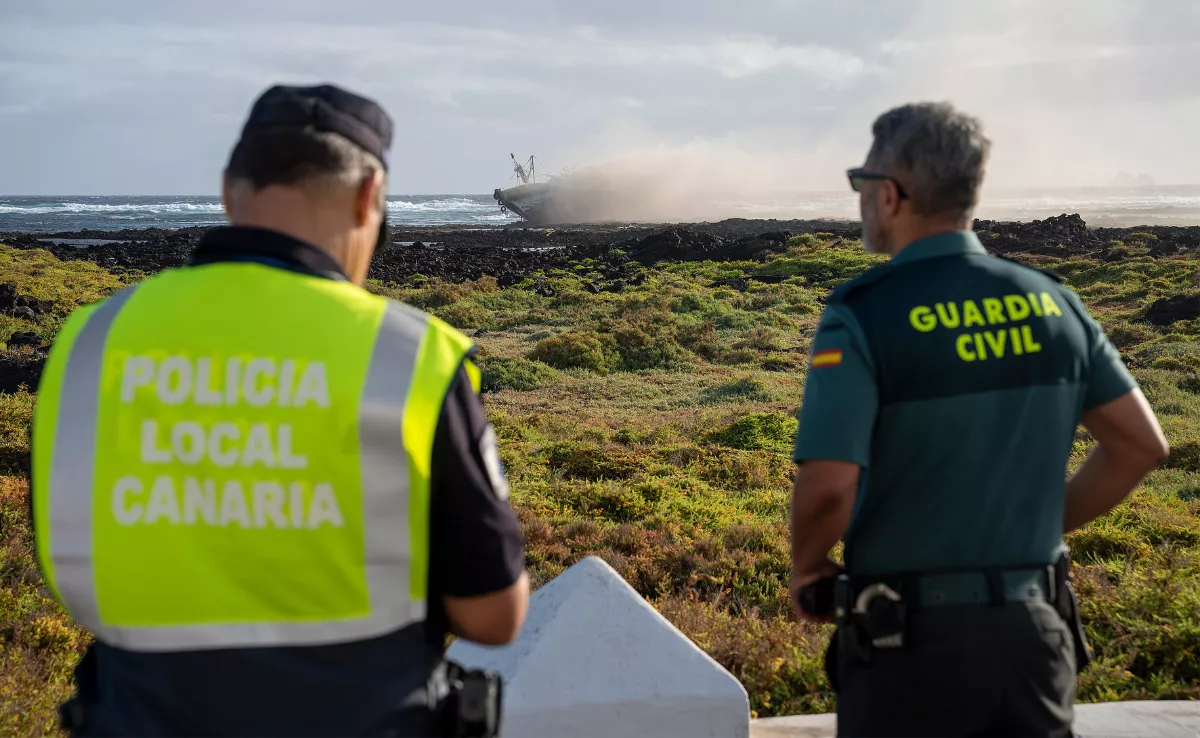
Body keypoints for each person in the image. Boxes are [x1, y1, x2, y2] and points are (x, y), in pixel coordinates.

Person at [31, 83, 529, 737]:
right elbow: (494, 618)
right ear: (368, 197)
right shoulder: (408, 357)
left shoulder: (90, 342)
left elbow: (66, 562)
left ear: (228, 191)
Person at [788, 102, 1169, 737]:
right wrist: (1034, 523)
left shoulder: (863, 315)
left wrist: (808, 565)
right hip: (1036, 640)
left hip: (907, 650)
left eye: (862, 184)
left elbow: (829, 487)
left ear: (890, 196)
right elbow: (1139, 446)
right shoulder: (1053, 302)